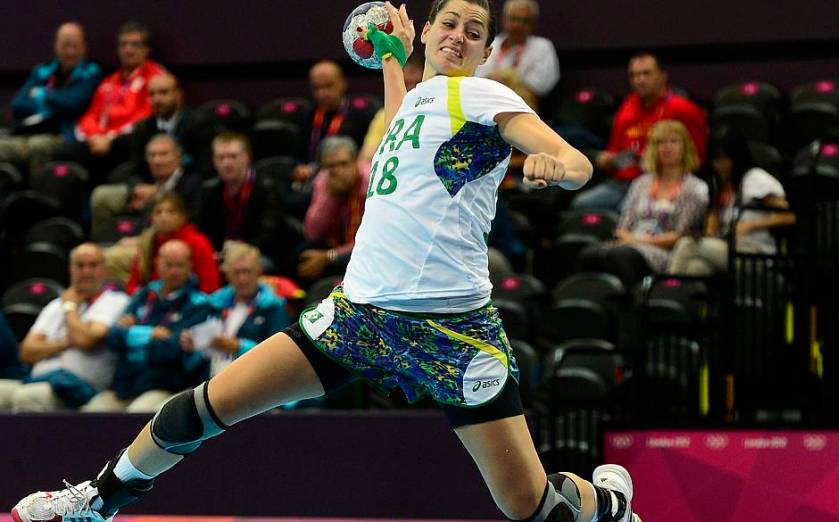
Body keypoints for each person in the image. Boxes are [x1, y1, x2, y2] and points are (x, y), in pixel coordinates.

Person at [11, 3, 639, 522]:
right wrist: (393, 62)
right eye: (449, 24)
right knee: (203, 406)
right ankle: (93, 501)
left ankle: (609, 501)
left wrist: (561, 165)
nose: (460, 37)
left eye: (475, 33)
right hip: (358, 315)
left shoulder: (481, 94)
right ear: (428, 32)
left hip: (453, 330)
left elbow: (571, 157)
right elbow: (402, 123)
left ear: (484, 51)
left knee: (529, 508)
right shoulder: (422, 100)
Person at [81, 240, 212, 413]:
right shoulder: (144, 295)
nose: (174, 271)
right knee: (89, 413)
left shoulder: (199, 304)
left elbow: (172, 350)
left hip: (164, 387)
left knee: (135, 417)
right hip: (125, 386)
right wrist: (151, 334)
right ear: (157, 264)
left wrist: (130, 337)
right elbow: (113, 337)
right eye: (168, 264)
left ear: (190, 266)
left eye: (179, 265)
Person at [578, 120, 709, 288]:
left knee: (622, 257)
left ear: (685, 148)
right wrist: (626, 237)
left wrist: (636, 240)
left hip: (664, 252)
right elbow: (625, 224)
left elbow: (680, 236)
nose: (667, 147)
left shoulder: (695, 188)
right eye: (660, 142)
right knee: (589, 255)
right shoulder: (641, 183)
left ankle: (628, 308)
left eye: (673, 142)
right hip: (629, 244)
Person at [572, 52, 707, 212]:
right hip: (622, 182)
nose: (639, 80)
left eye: (646, 74)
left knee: (628, 209)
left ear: (663, 76)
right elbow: (614, 150)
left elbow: (697, 157)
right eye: (634, 75)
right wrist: (608, 159)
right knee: (581, 204)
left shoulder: (684, 109)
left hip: (661, 181)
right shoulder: (627, 108)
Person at [0, 243, 129, 411]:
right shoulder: (55, 305)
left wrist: (70, 308)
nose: (86, 271)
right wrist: (67, 341)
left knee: (28, 397)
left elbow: (85, 340)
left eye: (93, 265)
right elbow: (26, 352)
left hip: (80, 388)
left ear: (104, 270)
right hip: (39, 380)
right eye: (80, 265)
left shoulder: (115, 301)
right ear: (71, 269)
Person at [668, 128, 795, 275]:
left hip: (754, 253)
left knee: (687, 245)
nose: (719, 164)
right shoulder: (719, 183)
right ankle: (679, 296)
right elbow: (712, 229)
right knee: (696, 268)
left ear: (737, 156)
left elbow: (790, 216)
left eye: (724, 158)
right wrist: (705, 233)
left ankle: (667, 289)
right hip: (726, 247)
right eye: (715, 159)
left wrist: (751, 225)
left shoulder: (754, 178)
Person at [59, 21, 166, 182]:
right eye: (123, 45)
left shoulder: (156, 77)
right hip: (100, 142)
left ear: (146, 49)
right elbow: (91, 115)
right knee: (64, 153)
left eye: (134, 45)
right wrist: (95, 136)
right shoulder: (109, 81)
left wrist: (109, 139)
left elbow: (145, 118)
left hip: (128, 142)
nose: (128, 50)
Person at [0, 22, 102, 178]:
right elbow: (18, 104)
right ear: (56, 46)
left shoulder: (91, 73)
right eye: (65, 46)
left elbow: (73, 103)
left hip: (63, 137)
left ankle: (36, 199)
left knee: (38, 146)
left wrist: (44, 96)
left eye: (75, 46)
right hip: (27, 134)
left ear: (84, 47)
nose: (70, 51)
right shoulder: (43, 71)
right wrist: (52, 103)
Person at [184, 243, 290, 377]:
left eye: (247, 271)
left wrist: (239, 347)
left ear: (259, 271)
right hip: (207, 380)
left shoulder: (273, 307)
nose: (242, 279)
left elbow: (279, 356)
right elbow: (190, 364)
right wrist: (192, 347)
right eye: (236, 273)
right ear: (227, 275)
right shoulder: (213, 305)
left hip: (252, 384)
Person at [289, 60, 379, 215]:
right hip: (313, 178)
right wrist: (299, 168)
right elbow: (297, 155)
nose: (323, 93)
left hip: (348, 180)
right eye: (317, 88)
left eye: (329, 86)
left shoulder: (360, 116)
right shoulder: (308, 116)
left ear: (342, 83)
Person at [196, 132, 284, 268]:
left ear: (247, 157)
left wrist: (237, 251)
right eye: (220, 158)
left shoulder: (267, 188)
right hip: (221, 254)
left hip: (258, 253)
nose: (226, 163)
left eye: (233, 157)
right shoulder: (209, 190)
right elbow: (203, 231)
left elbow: (269, 235)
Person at [90, 133, 203, 235]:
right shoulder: (145, 172)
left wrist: (159, 193)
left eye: (163, 154)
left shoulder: (191, 180)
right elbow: (124, 175)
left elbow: (191, 213)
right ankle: (101, 239)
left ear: (178, 157)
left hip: (168, 236)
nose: (157, 161)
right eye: (152, 155)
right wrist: (133, 192)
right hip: (138, 223)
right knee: (100, 195)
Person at [296, 136, 370, 283]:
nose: (338, 171)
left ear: (356, 162)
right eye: (331, 166)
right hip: (337, 242)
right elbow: (312, 232)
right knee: (302, 254)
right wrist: (331, 196)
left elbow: (371, 241)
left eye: (343, 164)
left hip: (366, 251)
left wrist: (330, 256)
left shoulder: (370, 182)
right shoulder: (324, 180)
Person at [124, 191, 220, 294]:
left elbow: (210, 286)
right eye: (158, 212)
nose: (163, 217)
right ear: (152, 218)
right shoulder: (148, 242)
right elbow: (133, 284)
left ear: (183, 217)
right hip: (151, 303)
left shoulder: (198, 242)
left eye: (171, 212)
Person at [128, 73, 218, 177]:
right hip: (152, 188)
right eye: (152, 94)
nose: (156, 99)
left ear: (179, 95)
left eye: (163, 92)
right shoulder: (142, 128)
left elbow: (205, 168)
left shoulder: (200, 124)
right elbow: (136, 170)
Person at [475, 0, 559, 99]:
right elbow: (476, 77)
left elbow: (538, 88)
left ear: (534, 23)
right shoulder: (490, 43)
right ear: (504, 19)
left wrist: (497, 82)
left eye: (525, 21)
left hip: (523, 107)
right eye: (513, 19)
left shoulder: (542, 47)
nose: (517, 25)